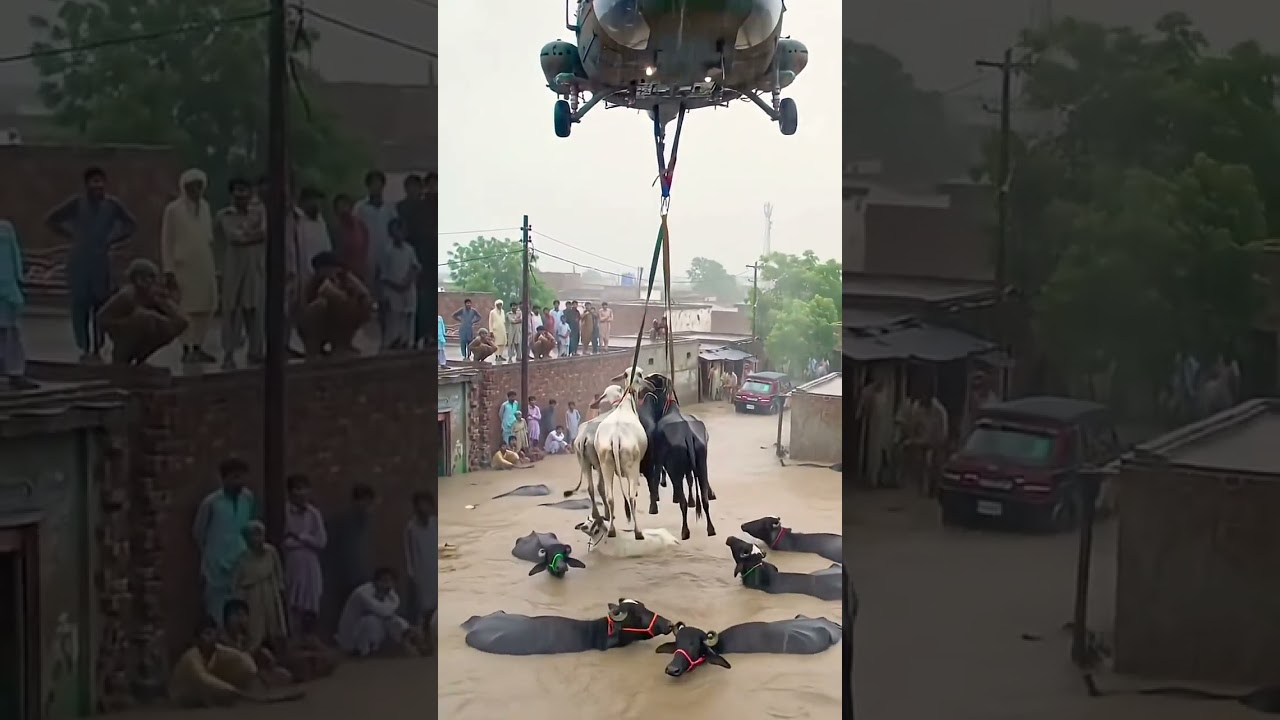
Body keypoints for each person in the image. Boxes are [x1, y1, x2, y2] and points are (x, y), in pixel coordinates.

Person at [44, 166, 138, 363]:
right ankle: (84, 347)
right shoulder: (77, 204)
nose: (98, 186)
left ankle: (97, 347)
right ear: (86, 185)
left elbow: (131, 224)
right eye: (94, 182)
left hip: (101, 262)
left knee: (101, 307)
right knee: (80, 307)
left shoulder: (112, 205)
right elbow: (51, 220)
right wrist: (72, 236)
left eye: (101, 182)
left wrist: (113, 239)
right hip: (79, 262)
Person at [160, 168, 219, 363]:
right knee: (187, 309)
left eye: (199, 186)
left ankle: (198, 346)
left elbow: (208, 238)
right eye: (191, 186)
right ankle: (187, 348)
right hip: (182, 266)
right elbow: (166, 241)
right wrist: (168, 270)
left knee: (207, 306)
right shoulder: (173, 210)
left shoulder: (206, 207)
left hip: (204, 264)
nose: (196, 190)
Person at [193, 457, 257, 626]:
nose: (240, 481)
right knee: (216, 611)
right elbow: (199, 533)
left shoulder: (248, 498)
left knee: (240, 611)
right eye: (235, 477)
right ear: (224, 478)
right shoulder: (211, 503)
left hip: (240, 562)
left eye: (243, 477)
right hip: (215, 565)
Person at [215, 177, 266, 370]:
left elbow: (264, 233)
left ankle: (256, 352)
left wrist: (249, 234)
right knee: (231, 311)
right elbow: (234, 237)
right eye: (237, 190)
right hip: (233, 269)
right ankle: (228, 354)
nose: (241, 194)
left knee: (255, 311)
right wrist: (251, 234)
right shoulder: (224, 215)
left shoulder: (260, 212)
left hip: (254, 268)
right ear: (232, 194)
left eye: (245, 190)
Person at [96, 259, 188, 365]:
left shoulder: (152, 295)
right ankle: (123, 358)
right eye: (150, 277)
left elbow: (182, 322)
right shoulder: (127, 296)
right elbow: (101, 317)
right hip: (123, 334)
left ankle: (140, 357)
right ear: (139, 279)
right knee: (145, 317)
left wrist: (165, 303)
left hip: (140, 333)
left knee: (160, 323)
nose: (154, 281)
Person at [168, 617, 259, 707]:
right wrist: (238, 693)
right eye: (204, 634)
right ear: (197, 640)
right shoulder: (191, 658)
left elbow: (247, 664)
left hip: (208, 693)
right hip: (182, 697)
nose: (207, 638)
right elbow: (205, 680)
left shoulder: (220, 650)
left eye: (210, 633)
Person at [297, 251, 373, 357]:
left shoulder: (345, 279)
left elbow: (365, 299)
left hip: (338, 326)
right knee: (321, 305)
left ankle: (342, 345)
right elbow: (305, 311)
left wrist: (350, 280)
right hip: (314, 329)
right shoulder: (315, 284)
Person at [324, 484, 376, 628]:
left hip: (360, 573)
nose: (365, 506)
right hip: (343, 574)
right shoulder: (343, 522)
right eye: (362, 501)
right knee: (343, 607)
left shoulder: (365, 523)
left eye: (368, 502)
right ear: (355, 502)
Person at [335, 568, 417, 657]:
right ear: (376, 581)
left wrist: (405, 628)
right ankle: (361, 652)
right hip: (350, 635)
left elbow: (389, 614)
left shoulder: (393, 596)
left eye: (391, 581)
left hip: (368, 633)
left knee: (392, 621)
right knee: (373, 620)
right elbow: (382, 611)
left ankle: (410, 641)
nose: (388, 584)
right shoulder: (362, 593)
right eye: (384, 580)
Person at [232, 521, 287, 651]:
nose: (258, 539)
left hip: (270, 592)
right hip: (253, 597)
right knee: (255, 628)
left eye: (260, 534)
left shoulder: (271, 552)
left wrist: (280, 590)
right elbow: (237, 582)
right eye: (254, 535)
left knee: (274, 625)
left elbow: (278, 573)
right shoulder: (243, 558)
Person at [282, 474, 326, 636]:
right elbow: (285, 541)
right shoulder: (284, 512)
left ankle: (309, 638)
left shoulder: (314, 513)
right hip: (293, 560)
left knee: (312, 600)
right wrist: (302, 540)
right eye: (297, 489)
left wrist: (301, 537)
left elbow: (321, 541)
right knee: (293, 599)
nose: (301, 493)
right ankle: (293, 638)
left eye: (304, 488)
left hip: (311, 561)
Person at [395, 174, 435, 348]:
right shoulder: (405, 208)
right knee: (411, 301)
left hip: (432, 258)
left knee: (429, 299)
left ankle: (428, 335)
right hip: (412, 255)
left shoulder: (437, 206)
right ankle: (408, 337)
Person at [220, 598, 291, 687]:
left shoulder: (245, 638)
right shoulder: (221, 640)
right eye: (236, 615)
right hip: (230, 678)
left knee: (284, 675)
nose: (240, 619)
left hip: (251, 673)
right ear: (227, 618)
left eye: (243, 615)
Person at [0, 220, 36, 390]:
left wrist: (19, 280)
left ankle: (15, 373)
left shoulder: (6, 229)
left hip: (8, 288)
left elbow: (15, 255)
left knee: (11, 333)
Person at [375, 218, 420, 351]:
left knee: (409, 316)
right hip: (392, 289)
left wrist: (407, 282)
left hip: (409, 288)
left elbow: (415, 267)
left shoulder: (409, 249)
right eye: (395, 230)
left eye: (401, 230)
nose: (398, 234)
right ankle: (393, 343)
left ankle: (408, 343)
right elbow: (382, 274)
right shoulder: (386, 251)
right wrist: (396, 286)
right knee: (394, 318)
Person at [402, 491, 437, 640]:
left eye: (427, 504)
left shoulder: (435, 522)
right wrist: (412, 575)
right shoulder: (411, 528)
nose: (424, 508)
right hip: (421, 573)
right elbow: (409, 553)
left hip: (435, 569)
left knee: (436, 606)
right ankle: (425, 637)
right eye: (421, 504)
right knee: (425, 609)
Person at [354, 171, 397, 283]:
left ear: (383, 186)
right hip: (367, 252)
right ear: (368, 186)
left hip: (386, 251)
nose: (376, 187)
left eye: (378, 184)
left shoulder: (390, 207)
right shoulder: (360, 208)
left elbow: (395, 228)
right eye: (373, 184)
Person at [280, 611, 338, 682]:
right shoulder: (295, 639)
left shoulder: (313, 639)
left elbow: (326, 652)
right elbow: (289, 654)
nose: (309, 625)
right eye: (307, 622)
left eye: (311, 623)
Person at [331, 194, 370, 288]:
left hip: (361, 272)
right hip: (344, 275)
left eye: (345, 205)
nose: (343, 210)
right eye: (340, 207)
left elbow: (367, 248)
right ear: (336, 212)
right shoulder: (335, 230)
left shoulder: (361, 226)